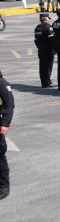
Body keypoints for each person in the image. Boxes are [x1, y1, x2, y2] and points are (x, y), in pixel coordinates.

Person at [0, 69, 13, 200]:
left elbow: (9, 104)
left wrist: (5, 123)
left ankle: (3, 186)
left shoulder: (2, 83)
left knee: (0, 156)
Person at [33, 12, 55, 88]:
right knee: (48, 67)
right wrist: (54, 49)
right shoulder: (48, 27)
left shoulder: (37, 27)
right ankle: (47, 83)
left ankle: (44, 82)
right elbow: (51, 39)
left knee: (42, 67)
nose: (49, 20)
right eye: (48, 18)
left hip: (40, 49)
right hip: (48, 49)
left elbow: (36, 39)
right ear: (46, 19)